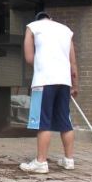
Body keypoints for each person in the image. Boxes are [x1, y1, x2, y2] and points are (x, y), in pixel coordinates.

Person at [19, 11, 79, 173]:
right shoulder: (66, 30)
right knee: (65, 121)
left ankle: (41, 162)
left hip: (43, 81)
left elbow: (29, 58)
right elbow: (73, 64)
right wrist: (75, 86)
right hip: (64, 82)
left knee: (43, 122)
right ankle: (69, 160)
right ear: (50, 19)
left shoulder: (32, 27)